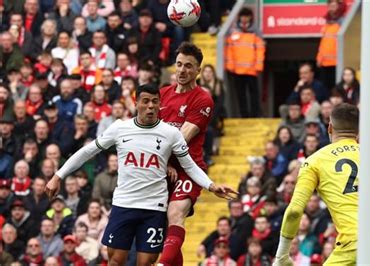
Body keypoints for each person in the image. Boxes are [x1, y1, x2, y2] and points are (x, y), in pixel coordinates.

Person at [45, 84, 237, 266]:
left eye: (155, 101)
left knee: (146, 263)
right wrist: (58, 176)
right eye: (145, 101)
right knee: (115, 261)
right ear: (136, 103)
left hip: (154, 208)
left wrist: (211, 186)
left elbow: (190, 166)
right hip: (124, 205)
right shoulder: (120, 128)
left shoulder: (171, 133)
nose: (150, 106)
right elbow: (87, 152)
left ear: (160, 104)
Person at [273, 103, 370, 265]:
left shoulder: (315, 161)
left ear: (330, 128)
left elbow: (294, 211)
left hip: (355, 243)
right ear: (359, 130)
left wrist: (282, 255)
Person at [158, 42, 216, 266]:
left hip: (188, 169)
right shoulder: (162, 94)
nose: (182, 70)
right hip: (162, 169)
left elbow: (181, 138)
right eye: (179, 64)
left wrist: (166, 162)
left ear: (198, 71)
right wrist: (163, 165)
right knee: (164, 228)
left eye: (189, 66)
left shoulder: (203, 99)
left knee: (175, 214)